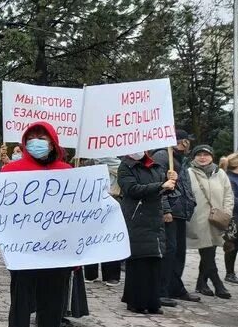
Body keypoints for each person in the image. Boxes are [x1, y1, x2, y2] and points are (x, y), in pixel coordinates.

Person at [0, 121, 71, 327]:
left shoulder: (67, 172)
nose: (37, 142)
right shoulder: (11, 171)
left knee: (53, 307)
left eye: (42, 137)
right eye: (32, 138)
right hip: (24, 255)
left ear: (53, 142)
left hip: (58, 255)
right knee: (21, 307)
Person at [118, 151, 175, 315]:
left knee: (153, 261)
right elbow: (132, 189)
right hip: (136, 216)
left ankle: (152, 301)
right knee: (139, 260)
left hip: (154, 218)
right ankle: (136, 301)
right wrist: (160, 185)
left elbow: (162, 191)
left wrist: (171, 182)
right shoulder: (126, 166)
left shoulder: (154, 166)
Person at [151, 131, 199, 304]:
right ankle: (161, 290)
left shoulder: (180, 159)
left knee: (178, 252)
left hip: (180, 211)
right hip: (170, 211)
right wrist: (165, 209)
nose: (188, 145)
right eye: (186, 141)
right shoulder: (163, 156)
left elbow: (183, 184)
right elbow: (159, 184)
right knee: (169, 251)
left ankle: (175, 287)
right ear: (182, 142)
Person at [186, 145, 233, 299]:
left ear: (212, 156)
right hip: (198, 218)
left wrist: (227, 212)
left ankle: (201, 283)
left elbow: (228, 195)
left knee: (210, 251)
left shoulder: (220, 174)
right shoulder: (189, 173)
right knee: (207, 251)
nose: (202, 157)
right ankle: (218, 284)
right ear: (193, 157)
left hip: (217, 219)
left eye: (206, 154)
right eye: (199, 154)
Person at [84, 157, 126, 286]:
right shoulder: (88, 163)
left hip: (111, 200)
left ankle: (112, 274)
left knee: (111, 238)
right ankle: (90, 273)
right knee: (91, 239)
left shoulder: (120, 165)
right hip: (91, 203)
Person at [221, 153, 238, 284]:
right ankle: (230, 273)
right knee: (232, 245)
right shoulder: (230, 178)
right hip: (233, 217)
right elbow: (231, 199)